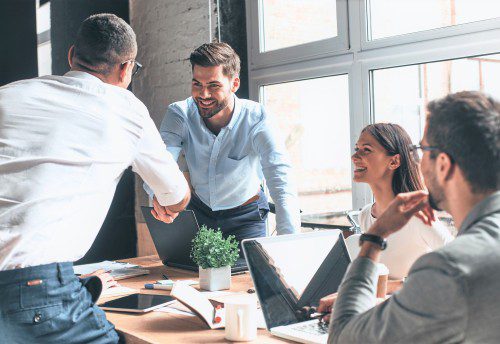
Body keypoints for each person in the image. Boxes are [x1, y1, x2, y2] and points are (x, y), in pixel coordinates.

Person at [0, 14, 190, 342]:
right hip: (35, 293)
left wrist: (77, 284)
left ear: (72, 55)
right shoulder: (124, 108)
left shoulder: (8, 95)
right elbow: (177, 197)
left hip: (41, 286)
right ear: (126, 68)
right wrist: (164, 200)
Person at [318, 91, 500, 343]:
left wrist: (373, 239)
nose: (417, 161)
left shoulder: (448, 268)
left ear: (443, 165)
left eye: (421, 150)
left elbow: (343, 337)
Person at [145, 42, 300, 244]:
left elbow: (281, 180)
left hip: (246, 218)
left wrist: (290, 243)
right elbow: (159, 163)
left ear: (234, 84)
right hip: (198, 213)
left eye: (213, 85)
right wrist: (159, 194)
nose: (204, 94)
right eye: (197, 84)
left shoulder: (258, 119)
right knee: (188, 274)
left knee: (249, 275)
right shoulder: (179, 113)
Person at [351, 123, 453, 279]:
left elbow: (459, 263)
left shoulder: (417, 215)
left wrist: (393, 286)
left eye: (366, 150)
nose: (355, 157)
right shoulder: (366, 215)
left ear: (394, 162)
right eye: (356, 149)